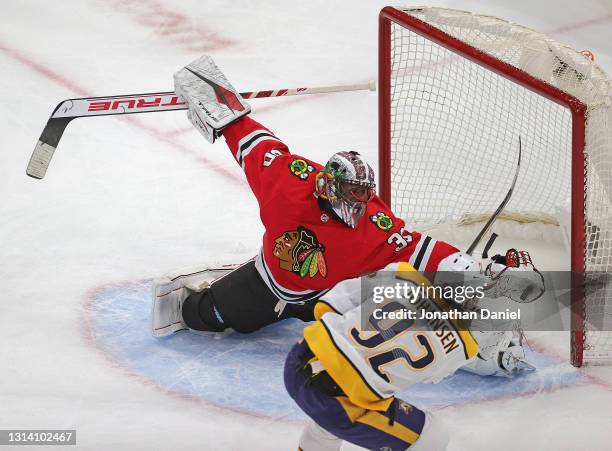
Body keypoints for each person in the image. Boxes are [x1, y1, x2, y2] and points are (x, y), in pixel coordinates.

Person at [152, 55, 542, 355]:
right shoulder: (289, 181)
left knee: (400, 318)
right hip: (268, 283)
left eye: (364, 194)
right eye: (352, 193)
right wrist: (215, 99)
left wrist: (484, 269)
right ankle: (202, 295)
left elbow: (424, 250)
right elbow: (251, 139)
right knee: (201, 318)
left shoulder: (375, 223)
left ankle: (484, 346)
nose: (360, 203)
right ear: (328, 186)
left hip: (329, 298)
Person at [284, 262, 536, 451]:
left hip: (300, 359)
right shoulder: (462, 349)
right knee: (432, 436)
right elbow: (430, 376)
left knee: (333, 417)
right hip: (336, 399)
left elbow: (328, 305)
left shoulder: (403, 273)